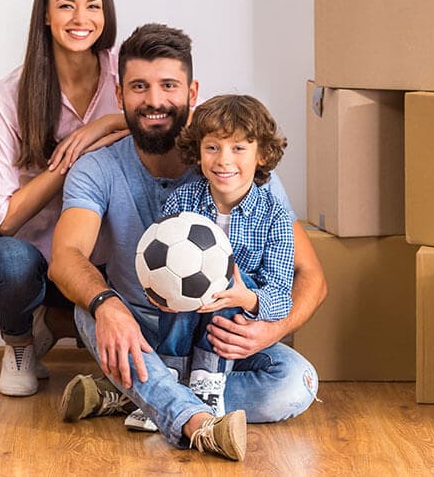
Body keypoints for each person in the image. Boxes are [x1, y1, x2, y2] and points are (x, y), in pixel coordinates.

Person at [49, 23, 327, 461]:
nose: (155, 101)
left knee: (296, 385)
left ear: (191, 91)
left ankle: (138, 393)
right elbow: (65, 257)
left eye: (169, 86)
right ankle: (197, 424)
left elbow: (311, 276)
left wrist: (269, 328)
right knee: (90, 308)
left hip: (219, 335)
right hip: (135, 324)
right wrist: (110, 306)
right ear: (120, 96)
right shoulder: (96, 169)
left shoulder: (236, 163)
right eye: (139, 87)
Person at [0, 0, 128, 397]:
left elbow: (175, 117)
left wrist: (103, 126)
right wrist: (68, 161)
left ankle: (51, 322)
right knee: (12, 263)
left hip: (100, 255)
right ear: (46, 16)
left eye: (94, 6)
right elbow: (4, 219)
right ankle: (20, 343)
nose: (81, 19)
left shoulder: (124, 77)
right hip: (29, 255)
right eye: (66, 6)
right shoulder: (12, 92)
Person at [153, 93, 295, 419]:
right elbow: (154, 257)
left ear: (262, 154)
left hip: (233, 332)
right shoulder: (182, 202)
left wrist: (247, 299)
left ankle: (207, 384)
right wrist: (160, 290)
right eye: (213, 147)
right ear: (198, 151)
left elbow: (280, 295)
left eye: (239, 148)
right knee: (181, 278)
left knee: (232, 284)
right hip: (180, 321)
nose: (223, 160)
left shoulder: (274, 216)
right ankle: (168, 384)